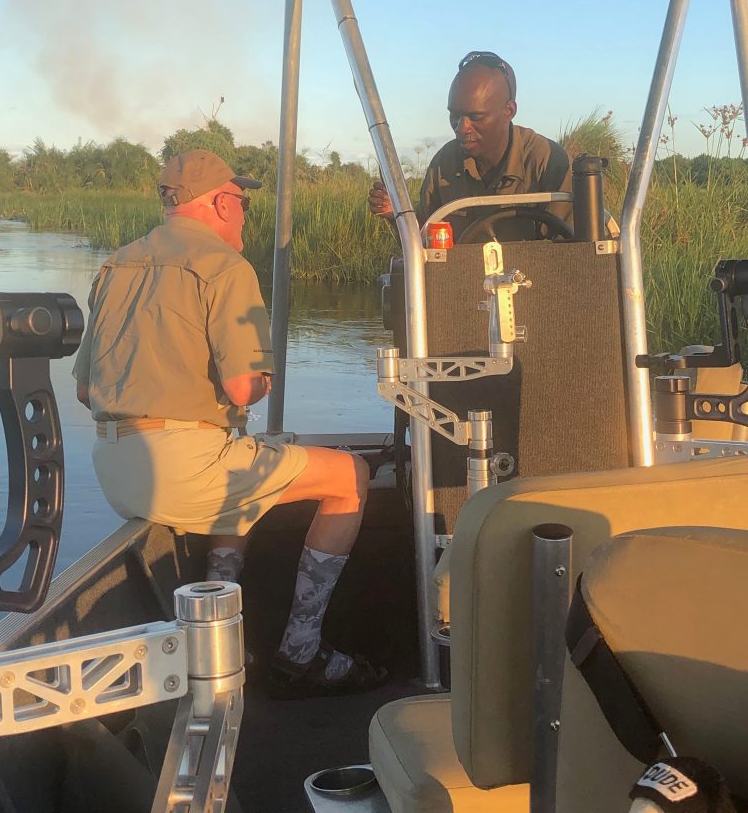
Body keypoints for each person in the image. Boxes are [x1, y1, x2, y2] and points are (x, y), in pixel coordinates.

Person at [73, 149, 385, 698]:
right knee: (349, 477)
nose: (243, 214)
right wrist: (260, 379)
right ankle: (301, 649)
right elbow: (244, 387)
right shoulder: (224, 266)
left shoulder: (114, 264)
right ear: (219, 202)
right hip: (179, 467)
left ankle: (226, 635)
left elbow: (83, 388)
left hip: (114, 468)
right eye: (240, 202)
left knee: (236, 468)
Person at [368, 51, 572, 240]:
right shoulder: (444, 163)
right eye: (454, 116)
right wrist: (396, 214)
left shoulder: (547, 161)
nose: (461, 128)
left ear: (508, 111)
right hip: (460, 277)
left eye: (475, 116)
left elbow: (574, 254)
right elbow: (425, 239)